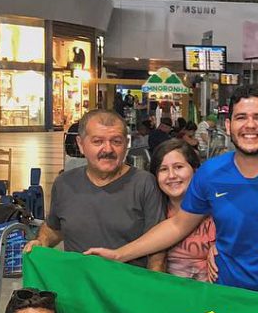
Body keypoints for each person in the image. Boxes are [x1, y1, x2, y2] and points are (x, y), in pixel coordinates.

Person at [87, 86, 258, 297]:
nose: (250, 125)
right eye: (241, 117)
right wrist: (119, 255)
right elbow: (177, 225)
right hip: (221, 297)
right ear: (228, 125)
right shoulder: (211, 174)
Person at [26, 110, 166, 271]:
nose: (108, 149)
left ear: (126, 144)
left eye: (116, 141)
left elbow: (157, 251)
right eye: (98, 141)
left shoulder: (144, 184)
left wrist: (151, 287)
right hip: (79, 285)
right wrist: (41, 241)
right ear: (81, 144)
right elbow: (54, 228)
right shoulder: (65, 183)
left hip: (126, 287)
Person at [151, 139, 216, 282]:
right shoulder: (153, 212)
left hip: (209, 299)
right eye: (163, 169)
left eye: (178, 167)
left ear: (195, 170)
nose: (172, 175)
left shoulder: (215, 210)